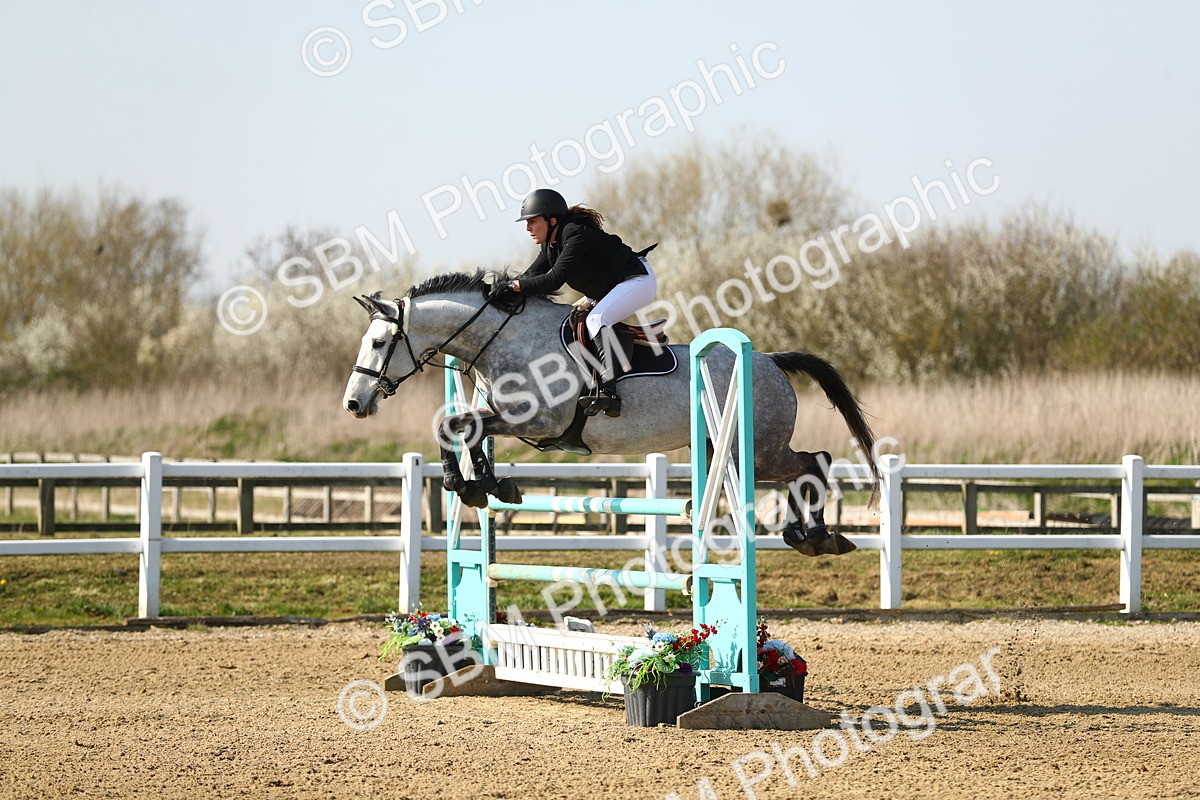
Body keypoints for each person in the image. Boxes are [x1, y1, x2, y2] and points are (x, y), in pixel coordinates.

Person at [491, 188, 657, 418]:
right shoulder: (550, 244)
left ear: (552, 220)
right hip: (610, 286)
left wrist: (516, 286)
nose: (528, 228)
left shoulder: (576, 233)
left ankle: (610, 393)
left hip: (637, 280)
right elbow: (530, 277)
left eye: (532, 221)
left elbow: (554, 279)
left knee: (597, 318)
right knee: (579, 320)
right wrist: (501, 289)